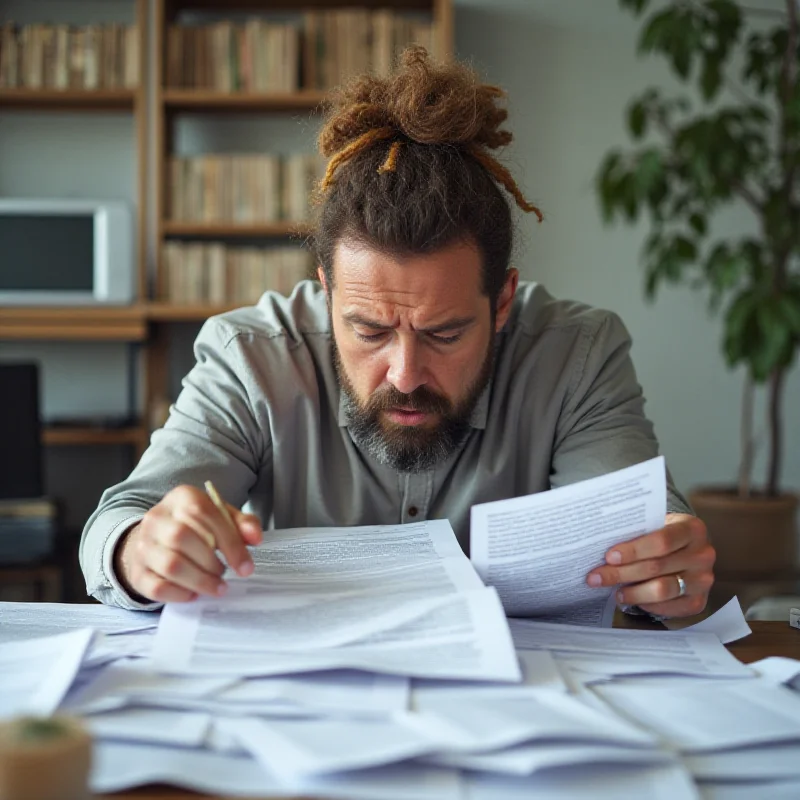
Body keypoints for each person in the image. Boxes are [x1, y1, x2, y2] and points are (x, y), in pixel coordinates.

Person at [80, 48, 715, 619]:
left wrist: (666, 574)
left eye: (444, 333)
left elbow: (641, 536)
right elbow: (119, 523)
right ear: (327, 293)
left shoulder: (578, 355)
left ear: (501, 302)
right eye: (369, 329)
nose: (405, 374)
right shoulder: (250, 356)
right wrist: (143, 552)